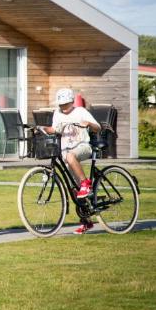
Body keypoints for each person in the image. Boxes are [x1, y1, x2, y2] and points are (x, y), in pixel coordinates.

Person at [45, 87, 101, 235]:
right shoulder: (57, 113)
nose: (63, 107)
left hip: (82, 147)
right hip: (66, 152)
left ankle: (86, 184)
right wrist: (41, 128)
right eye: (61, 105)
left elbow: (98, 127)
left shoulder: (81, 111)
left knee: (71, 157)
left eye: (65, 104)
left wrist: (88, 124)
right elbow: (55, 129)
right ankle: (86, 221)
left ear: (71, 102)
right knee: (74, 191)